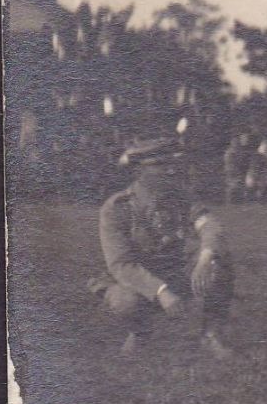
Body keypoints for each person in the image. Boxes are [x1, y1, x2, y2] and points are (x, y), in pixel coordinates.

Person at [93, 136, 236, 359]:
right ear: (139, 171)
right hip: (132, 280)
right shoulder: (116, 209)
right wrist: (161, 291)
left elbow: (210, 226)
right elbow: (121, 265)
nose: (171, 170)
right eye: (160, 165)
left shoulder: (182, 198)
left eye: (172, 164)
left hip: (173, 270)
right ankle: (139, 333)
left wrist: (205, 257)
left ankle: (210, 334)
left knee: (218, 261)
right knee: (125, 301)